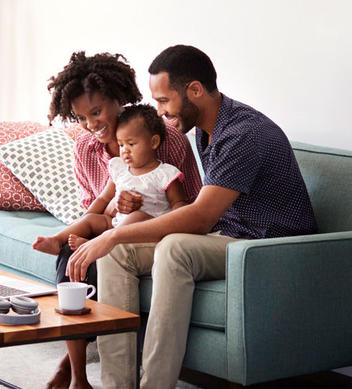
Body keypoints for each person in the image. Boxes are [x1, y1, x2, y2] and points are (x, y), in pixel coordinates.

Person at [65, 45, 317, 389]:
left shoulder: (242, 133)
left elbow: (199, 217)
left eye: (164, 101)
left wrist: (112, 233)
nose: (161, 112)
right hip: (232, 238)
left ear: (195, 90)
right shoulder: (205, 129)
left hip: (269, 246)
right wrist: (113, 237)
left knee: (173, 248)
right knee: (117, 253)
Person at [45, 51, 203, 389]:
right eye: (81, 117)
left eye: (97, 111)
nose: (91, 125)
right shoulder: (86, 149)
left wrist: (132, 211)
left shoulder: (166, 139)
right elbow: (95, 211)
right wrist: (115, 208)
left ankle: (69, 366)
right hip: (112, 226)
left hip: (156, 230)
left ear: (120, 99)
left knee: (99, 252)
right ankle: (77, 375)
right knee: (71, 259)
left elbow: (187, 206)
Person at [33, 104, 187, 256]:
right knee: (92, 219)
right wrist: (85, 218)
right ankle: (57, 240)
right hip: (116, 223)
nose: (125, 150)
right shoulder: (119, 168)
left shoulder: (165, 174)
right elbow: (104, 198)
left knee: (138, 216)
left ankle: (96, 244)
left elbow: (178, 204)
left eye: (131, 144)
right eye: (121, 145)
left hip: (148, 228)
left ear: (153, 142)